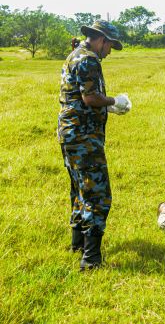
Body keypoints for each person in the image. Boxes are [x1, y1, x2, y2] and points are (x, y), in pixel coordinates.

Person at [57, 20, 132, 271]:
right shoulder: (88, 59)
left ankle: (77, 244)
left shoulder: (76, 54)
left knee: (80, 190)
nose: (109, 52)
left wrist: (106, 106)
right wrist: (114, 101)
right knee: (97, 195)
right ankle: (91, 259)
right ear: (101, 40)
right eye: (110, 46)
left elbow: (79, 97)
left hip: (71, 134)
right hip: (84, 137)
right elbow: (90, 98)